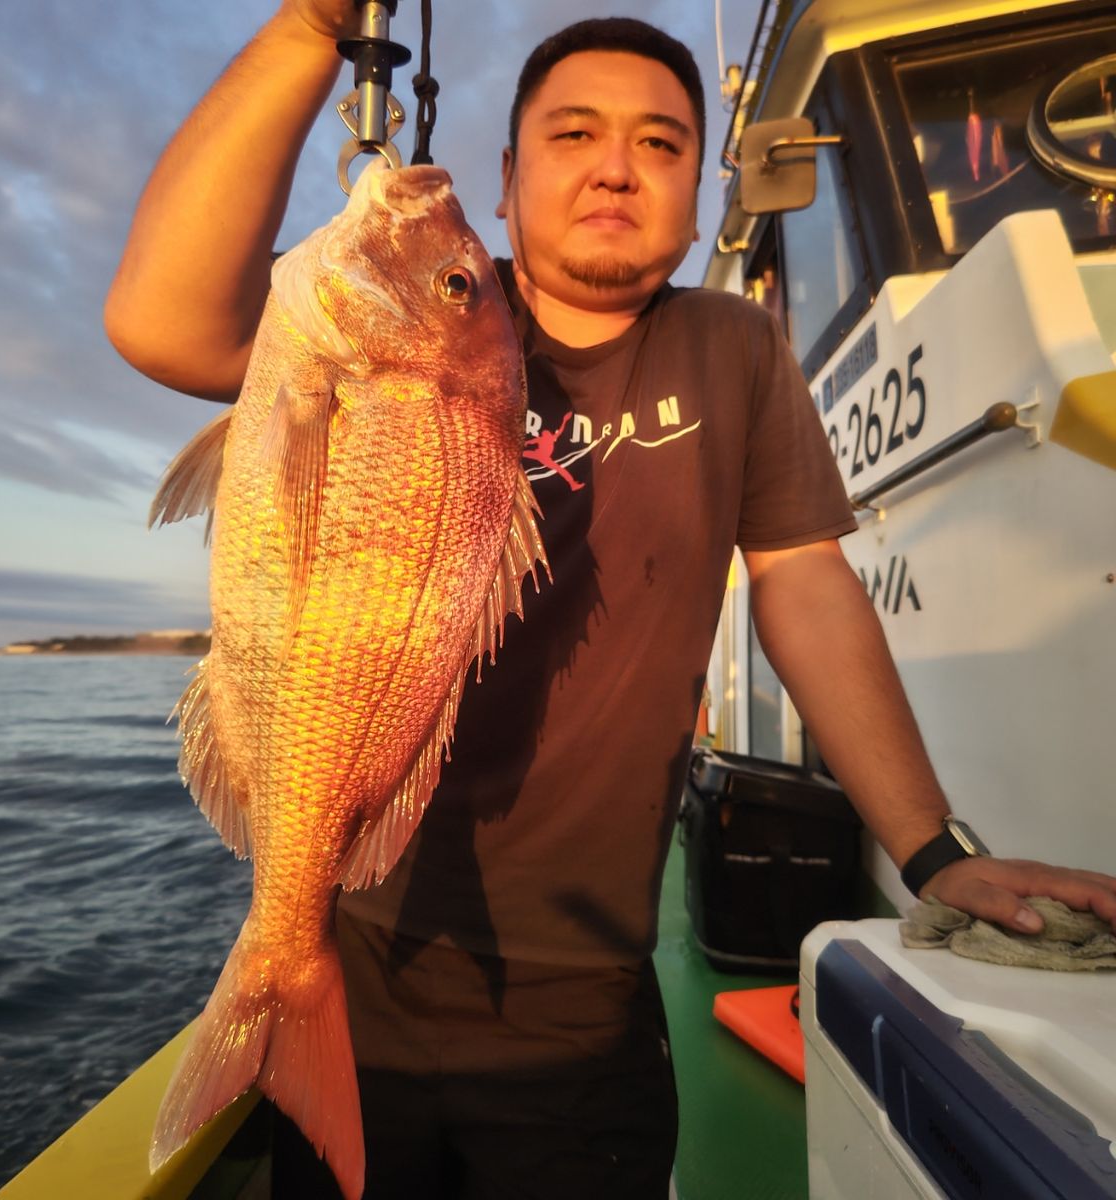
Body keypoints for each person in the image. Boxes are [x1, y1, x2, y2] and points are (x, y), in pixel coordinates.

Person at [105, 5, 1116, 1197]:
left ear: (698, 191)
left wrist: (931, 850)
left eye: (663, 142)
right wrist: (304, 33)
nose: (617, 168)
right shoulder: (396, 324)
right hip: (361, 948)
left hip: (586, 999)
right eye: (573, 132)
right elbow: (158, 321)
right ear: (508, 173)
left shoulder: (733, 348)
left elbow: (807, 590)